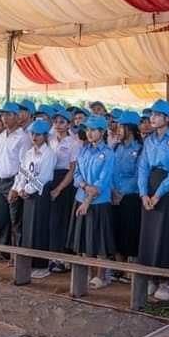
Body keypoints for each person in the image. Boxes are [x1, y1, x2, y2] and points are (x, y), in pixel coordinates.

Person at [137, 100, 169, 300]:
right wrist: (143, 193)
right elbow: (142, 167)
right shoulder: (149, 140)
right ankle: (150, 277)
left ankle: (167, 282)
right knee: (148, 233)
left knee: (167, 233)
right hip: (149, 186)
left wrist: (158, 194)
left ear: (168, 118)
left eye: (158, 115)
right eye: (152, 114)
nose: (153, 118)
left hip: (167, 190)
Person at [67, 115, 116, 289]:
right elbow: (76, 173)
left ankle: (102, 276)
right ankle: (89, 273)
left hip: (98, 203)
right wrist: (84, 185)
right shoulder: (83, 150)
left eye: (93, 130)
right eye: (87, 129)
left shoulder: (108, 153)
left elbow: (102, 182)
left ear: (102, 132)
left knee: (100, 242)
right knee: (85, 241)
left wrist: (88, 200)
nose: (89, 133)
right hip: (80, 198)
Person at [0, 102, 32, 261]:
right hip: (0, 180)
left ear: (17, 117)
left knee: (16, 221)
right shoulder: (0, 136)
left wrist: (16, 187)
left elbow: (24, 165)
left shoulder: (23, 138)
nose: (4, 118)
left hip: (14, 181)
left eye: (8, 115)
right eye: (3, 115)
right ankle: (3, 252)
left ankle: (18, 255)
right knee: (2, 219)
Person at [15, 119, 57, 278]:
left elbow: (44, 177)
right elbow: (22, 172)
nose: (34, 137)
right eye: (32, 133)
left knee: (39, 228)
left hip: (40, 194)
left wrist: (27, 189)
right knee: (28, 228)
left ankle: (41, 265)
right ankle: (29, 262)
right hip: (28, 194)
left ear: (45, 136)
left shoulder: (49, 154)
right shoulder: (28, 153)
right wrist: (20, 187)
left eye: (38, 134)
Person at [47, 109, 80, 272]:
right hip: (51, 178)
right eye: (55, 122)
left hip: (65, 182)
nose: (58, 125)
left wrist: (59, 188)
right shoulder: (50, 139)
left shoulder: (73, 142)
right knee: (52, 220)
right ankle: (53, 257)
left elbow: (72, 169)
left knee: (63, 220)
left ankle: (64, 259)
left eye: (62, 122)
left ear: (69, 124)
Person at [111, 111, 143, 263]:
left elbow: (139, 175)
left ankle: (131, 267)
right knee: (116, 231)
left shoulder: (141, 149)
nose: (117, 130)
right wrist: (113, 191)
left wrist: (122, 193)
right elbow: (110, 170)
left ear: (129, 129)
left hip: (131, 197)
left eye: (120, 127)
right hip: (114, 195)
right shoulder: (116, 147)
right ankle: (118, 266)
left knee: (130, 232)